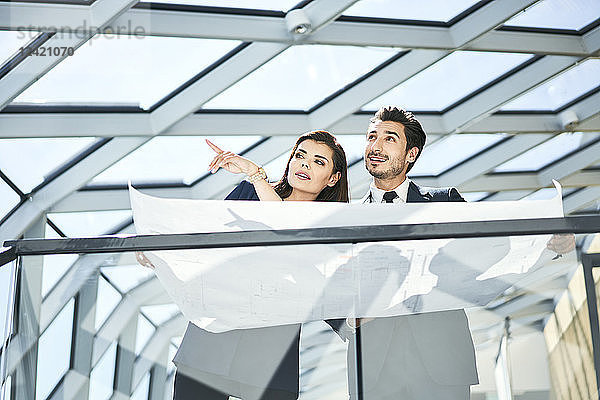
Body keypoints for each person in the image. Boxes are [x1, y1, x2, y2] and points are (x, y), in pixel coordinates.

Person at [326, 105, 575, 400]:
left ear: (411, 154)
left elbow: (488, 254)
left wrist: (544, 244)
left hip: (442, 363)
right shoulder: (346, 218)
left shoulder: (445, 203)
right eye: (371, 137)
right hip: (373, 369)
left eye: (389, 138)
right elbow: (325, 282)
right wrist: (345, 321)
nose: (375, 146)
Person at [139, 130, 349, 400]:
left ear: (333, 179)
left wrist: (355, 322)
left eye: (319, 162)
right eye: (300, 156)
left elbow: (315, 271)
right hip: (213, 342)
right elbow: (207, 244)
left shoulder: (329, 229)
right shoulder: (249, 192)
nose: (305, 164)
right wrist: (159, 251)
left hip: (272, 356)